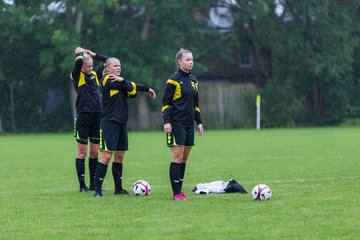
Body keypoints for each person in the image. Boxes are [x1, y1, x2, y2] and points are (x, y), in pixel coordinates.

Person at [94, 57, 156, 197]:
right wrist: (145, 88)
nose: (118, 68)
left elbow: (131, 90)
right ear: (107, 68)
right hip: (109, 123)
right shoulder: (107, 80)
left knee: (120, 156)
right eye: (115, 65)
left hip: (121, 123)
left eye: (119, 65)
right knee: (106, 156)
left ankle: (118, 189)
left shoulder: (121, 82)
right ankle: (97, 190)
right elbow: (130, 86)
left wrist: (129, 84)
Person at [162, 48, 204, 201]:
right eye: (187, 59)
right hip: (176, 123)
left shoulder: (194, 80)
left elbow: (196, 103)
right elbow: (165, 102)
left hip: (188, 124)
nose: (190, 62)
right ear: (179, 61)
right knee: (177, 158)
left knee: (184, 159)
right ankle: (176, 193)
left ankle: (179, 190)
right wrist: (167, 121)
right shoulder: (173, 80)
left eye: (192, 59)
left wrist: (198, 122)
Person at [70, 47, 108, 192]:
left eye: (91, 65)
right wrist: (80, 53)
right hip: (83, 118)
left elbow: (108, 62)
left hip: (97, 117)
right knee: (82, 153)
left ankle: (93, 184)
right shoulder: (77, 75)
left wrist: (94, 55)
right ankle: (82, 186)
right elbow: (78, 62)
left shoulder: (95, 75)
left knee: (94, 153)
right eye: (88, 66)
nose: (90, 68)